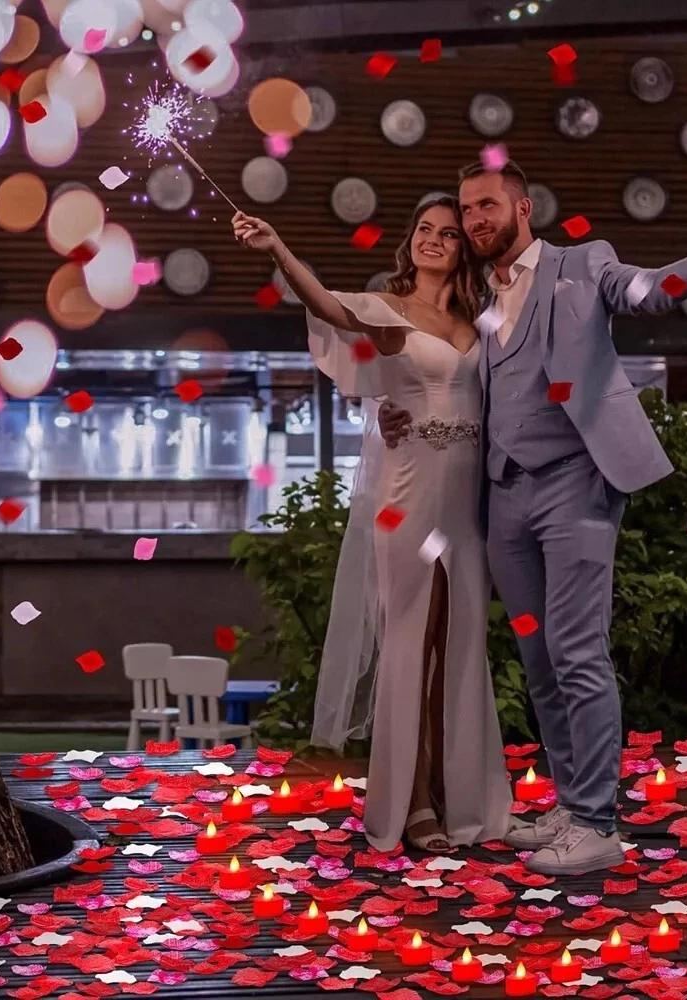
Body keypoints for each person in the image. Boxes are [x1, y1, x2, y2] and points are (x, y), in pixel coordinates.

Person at [377, 160, 687, 875]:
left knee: (577, 651)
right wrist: (396, 410)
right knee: (539, 660)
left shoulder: (584, 265)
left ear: (522, 208)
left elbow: (650, 290)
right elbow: (453, 384)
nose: (474, 219)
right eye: (467, 209)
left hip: (577, 484)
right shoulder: (478, 296)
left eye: (486, 205)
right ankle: (571, 802)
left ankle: (597, 823)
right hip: (502, 497)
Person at [231, 197, 513, 854]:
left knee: (459, 646)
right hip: (408, 498)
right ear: (409, 241)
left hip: (468, 509)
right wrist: (278, 249)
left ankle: (459, 798)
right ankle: (411, 803)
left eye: (448, 233)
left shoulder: (480, 319)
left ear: (464, 248)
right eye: (424, 230)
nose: (434, 240)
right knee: (412, 643)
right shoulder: (389, 311)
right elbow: (330, 307)